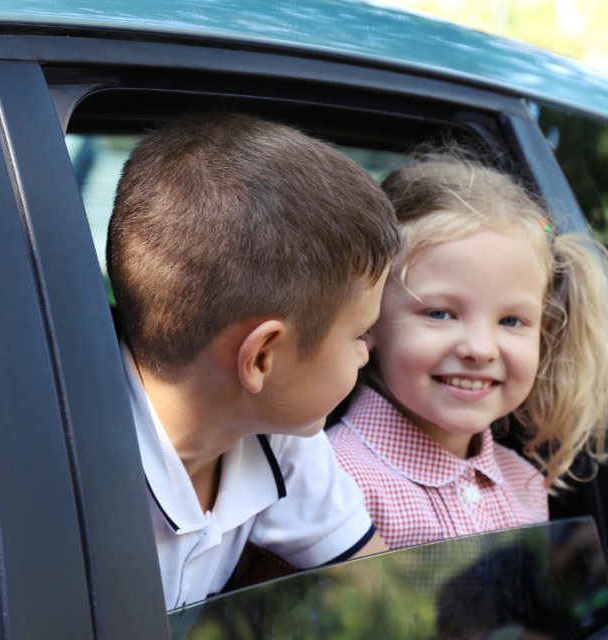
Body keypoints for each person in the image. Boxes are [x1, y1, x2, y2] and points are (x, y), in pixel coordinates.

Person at [108, 113, 398, 609]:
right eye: (360, 333)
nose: (369, 351)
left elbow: (384, 599)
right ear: (263, 357)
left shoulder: (278, 434)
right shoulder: (76, 478)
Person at [329, 154, 608, 550]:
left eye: (512, 321)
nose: (480, 349)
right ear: (367, 318)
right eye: (439, 313)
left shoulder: (526, 485)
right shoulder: (331, 482)